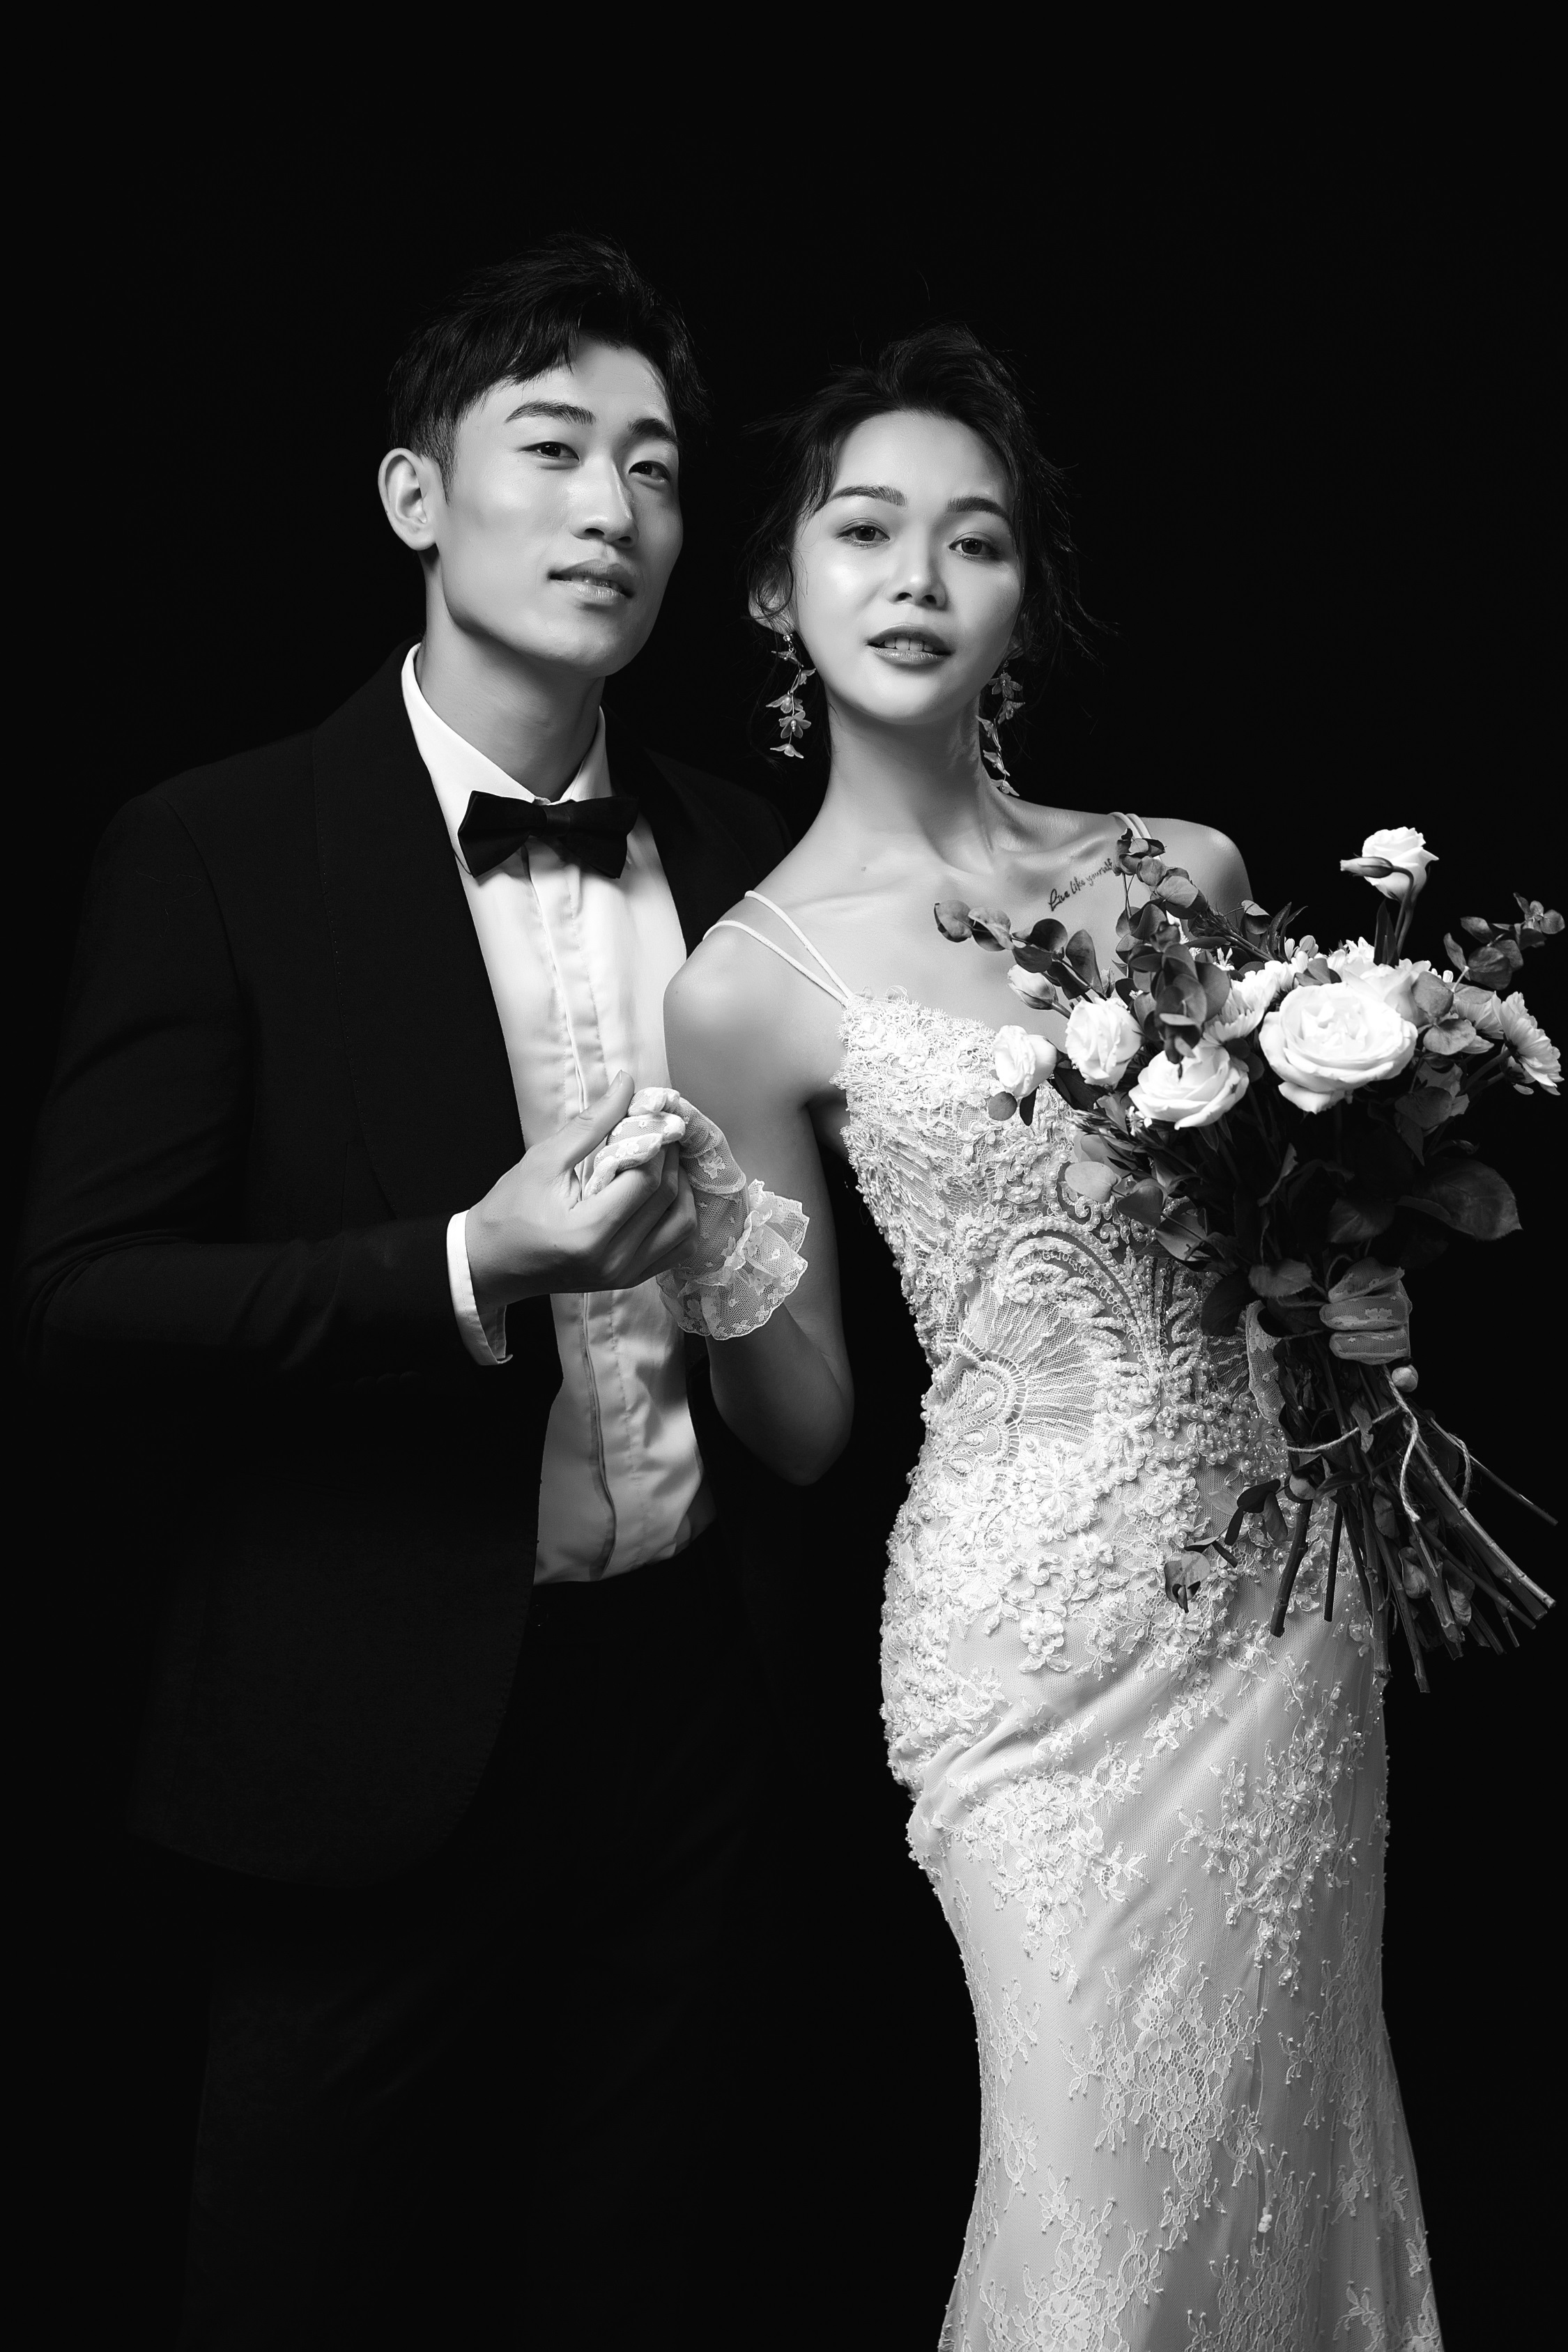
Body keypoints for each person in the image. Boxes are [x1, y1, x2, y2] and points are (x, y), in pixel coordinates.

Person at [15, 235, 796, 2345]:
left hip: (696, 1718)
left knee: (643, 2288)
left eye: (655, 467)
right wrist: (465, 1265)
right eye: (552, 447)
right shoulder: (219, 847)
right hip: (364, 1727)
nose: (614, 507)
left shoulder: (748, 852)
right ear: (414, 495)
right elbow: (81, 1299)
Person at [662, 328, 1442, 2347]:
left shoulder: (1181, 873)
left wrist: (1352, 1305)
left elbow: (1279, 1247)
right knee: (1093, 2217)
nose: (916, 578)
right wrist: (702, 1260)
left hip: (1275, 1607)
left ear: (1022, 599)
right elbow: (807, 1425)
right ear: (778, 590)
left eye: (974, 539)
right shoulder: (742, 987)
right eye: (863, 531)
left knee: (1278, 2164)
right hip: (1021, 1650)